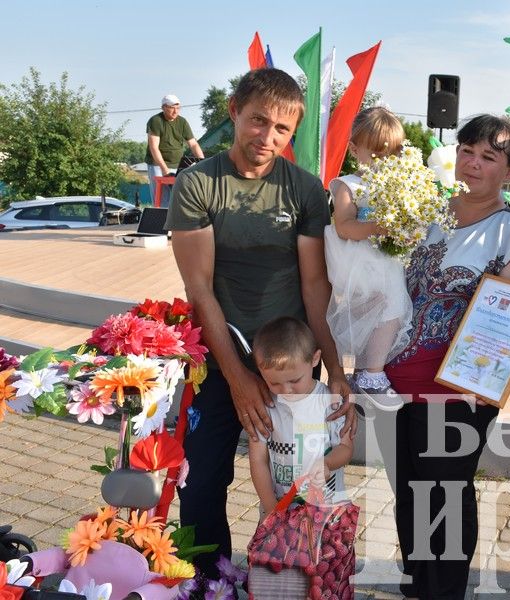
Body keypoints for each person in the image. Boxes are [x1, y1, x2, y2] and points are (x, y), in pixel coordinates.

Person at [165, 68, 354, 577]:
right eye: (257, 121)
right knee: (201, 479)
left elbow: (316, 288)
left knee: (302, 475)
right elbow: (199, 289)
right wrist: (238, 378)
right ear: (233, 112)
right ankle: (209, 581)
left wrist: (333, 370)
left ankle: (304, 574)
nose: (267, 138)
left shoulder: (305, 190)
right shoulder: (197, 183)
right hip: (217, 359)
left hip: (289, 364)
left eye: (282, 130)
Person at [383, 114, 510, 599]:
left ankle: (444, 590)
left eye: (488, 157)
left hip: (460, 390)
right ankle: (417, 585)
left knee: (445, 493)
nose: (472, 164)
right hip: (395, 379)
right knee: (410, 493)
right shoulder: (423, 210)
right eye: (467, 151)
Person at [247, 316, 353, 597]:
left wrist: (328, 463)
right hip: (278, 510)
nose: (287, 391)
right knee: (280, 579)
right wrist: (271, 508)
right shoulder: (266, 405)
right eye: (275, 383)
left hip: (326, 512)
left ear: (315, 359)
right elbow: (257, 459)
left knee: (326, 578)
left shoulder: (328, 401)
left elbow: (345, 448)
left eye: (295, 380)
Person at [324, 106, 412, 410]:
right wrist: (379, 227)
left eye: (390, 154)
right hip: (360, 259)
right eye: (374, 153)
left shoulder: (399, 185)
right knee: (374, 309)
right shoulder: (347, 184)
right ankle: (370, 375)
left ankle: (368, 373)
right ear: (354, 150)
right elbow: (345, 226)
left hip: (386, 259)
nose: (382, 161)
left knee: (393, 311)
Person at [145, 94, 204, 208]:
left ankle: (178, 223)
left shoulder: (182, 122)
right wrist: (164, 170)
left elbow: (193, 144)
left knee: (180, 197)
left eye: (178, 108)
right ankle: (160, 223)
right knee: (162, 200)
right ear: (164, 108)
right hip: (158, 164)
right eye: (172, 108)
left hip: (177, 164)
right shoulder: (155, 121)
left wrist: (202, 162)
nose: (175, 111)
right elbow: (154, 147)